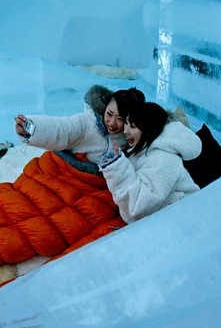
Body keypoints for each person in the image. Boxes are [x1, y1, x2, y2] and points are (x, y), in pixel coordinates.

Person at [99, 102, 202, 224]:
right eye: (126, 123)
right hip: (156, 218)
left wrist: (117, 167)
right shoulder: (143, 147)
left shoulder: (163, 160)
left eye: (132, 126)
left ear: (148, 130)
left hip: (180, 220)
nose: (125, 130)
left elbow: (139, 206)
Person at [14, 85, 145, 164]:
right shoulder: (87, 124)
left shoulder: (129, 139)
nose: (111, 123)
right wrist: (32, 129)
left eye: (120, 119)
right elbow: (63, 129)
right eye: (109, 114)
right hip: (66, 173)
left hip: (93, 187)